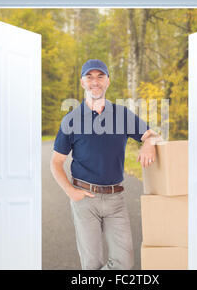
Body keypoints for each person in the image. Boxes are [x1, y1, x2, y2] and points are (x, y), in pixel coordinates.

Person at [50, 59, 162, 270]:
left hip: (115, 200)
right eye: (89, 77)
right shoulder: (71, 119)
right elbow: (56, 163)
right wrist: (71, 192)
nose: (95, 82)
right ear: (82, 82)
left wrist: (148, 142)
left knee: (124, 262)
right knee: (91, 264)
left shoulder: (122, 114)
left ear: (108, 81)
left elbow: (151, 134)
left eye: (100, 76)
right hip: (84, 199)